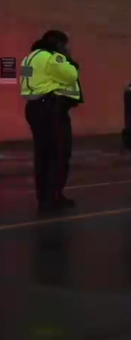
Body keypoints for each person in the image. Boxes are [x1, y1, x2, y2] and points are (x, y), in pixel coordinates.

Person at [19, 30, 83, 212]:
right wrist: (68, 59)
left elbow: (27, 80)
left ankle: (44, 197)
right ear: (59, 44)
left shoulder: (28, 59)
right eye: (65, 45)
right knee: (59, 155)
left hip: (34, 108)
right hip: (52, 109)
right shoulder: (53, 58)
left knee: (43, 156)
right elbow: (71, 74)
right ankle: (53, 198)